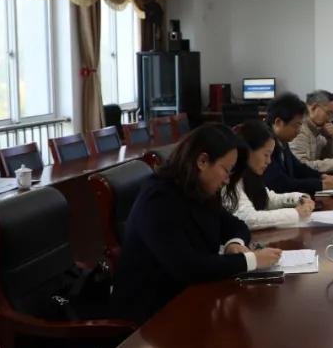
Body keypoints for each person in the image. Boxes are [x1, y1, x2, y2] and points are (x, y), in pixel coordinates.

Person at [110, 124, 282, 323]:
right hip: (151, 317)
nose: (227, 180)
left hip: (190, 299)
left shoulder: (199, 189)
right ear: (202, 161)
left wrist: (234, 244)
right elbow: (188, 267)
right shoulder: (158, 199)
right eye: (226, 170)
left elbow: (236, 225)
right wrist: (251, 260)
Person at [228, 119, 315, 229]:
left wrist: (299, 198)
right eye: (266, 155)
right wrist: (296, 213)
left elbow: (268, 199)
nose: (269, 161)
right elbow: (248, 219)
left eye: (270, 155)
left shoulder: (252, 176)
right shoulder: (230, 178)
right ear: (247, 151)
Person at [262, 92, 333, 195]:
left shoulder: (281, 140)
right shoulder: (263, 144)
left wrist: (321, 177)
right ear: (278, 123)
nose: (298, 131)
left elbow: (299, 168)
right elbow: (281, 184)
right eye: (296, 125)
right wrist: (321, 184)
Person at [290, 90, 333, 173]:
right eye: (329, 113)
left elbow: (330, 157)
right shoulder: (299, 130)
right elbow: (301, 167)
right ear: (313, 108)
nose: (330, 120)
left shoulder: (319, 129)